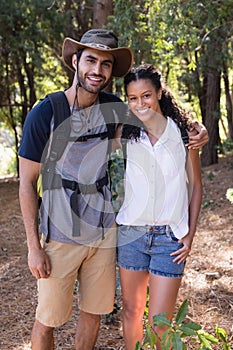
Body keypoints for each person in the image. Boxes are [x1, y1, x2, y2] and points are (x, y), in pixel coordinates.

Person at [18, 29, 207, 350]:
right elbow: (25, 184)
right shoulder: (45, 113)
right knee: (47, 320)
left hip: (105, 236)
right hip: (59, 238)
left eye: (106, 64)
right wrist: (33, 247)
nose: (97, 70)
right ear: (75, 61)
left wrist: (197, 130)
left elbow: (155, 117)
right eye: (90, 60)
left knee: (93, 314)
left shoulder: (115, 107)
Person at [116, 64, 203, 350]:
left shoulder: (184, 135)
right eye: (133, 98)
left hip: (169, 239)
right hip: (131, 235)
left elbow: (195, 186)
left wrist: (189, 234)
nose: (140, 103)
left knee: (160, 323)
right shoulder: (126, 133)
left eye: (146, 95)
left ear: (159, 93)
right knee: (131, 312)